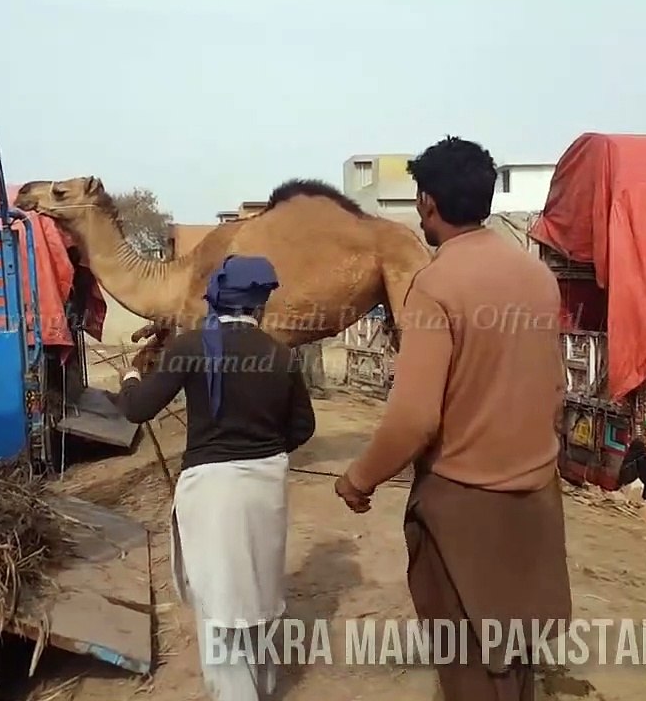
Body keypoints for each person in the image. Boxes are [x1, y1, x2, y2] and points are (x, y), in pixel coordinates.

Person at [334, 137, 572, 701]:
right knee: (514, 666)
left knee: (468, 672)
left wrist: (359, 478)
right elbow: (556, 387)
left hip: (461, 511)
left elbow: (414, 418)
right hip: (536, 500)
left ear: (427, 204)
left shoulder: (436, 286)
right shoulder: (539, 279)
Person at [114, 255, 316, 701]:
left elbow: (136, 408)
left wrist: (131, 375)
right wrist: (261, 448)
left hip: (212, 491)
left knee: (221, 601)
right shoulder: (280, 354)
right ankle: (263, 685)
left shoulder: (190, 347)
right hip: (266, 486)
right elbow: (304, 428)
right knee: (259, 589)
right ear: (259, 303)